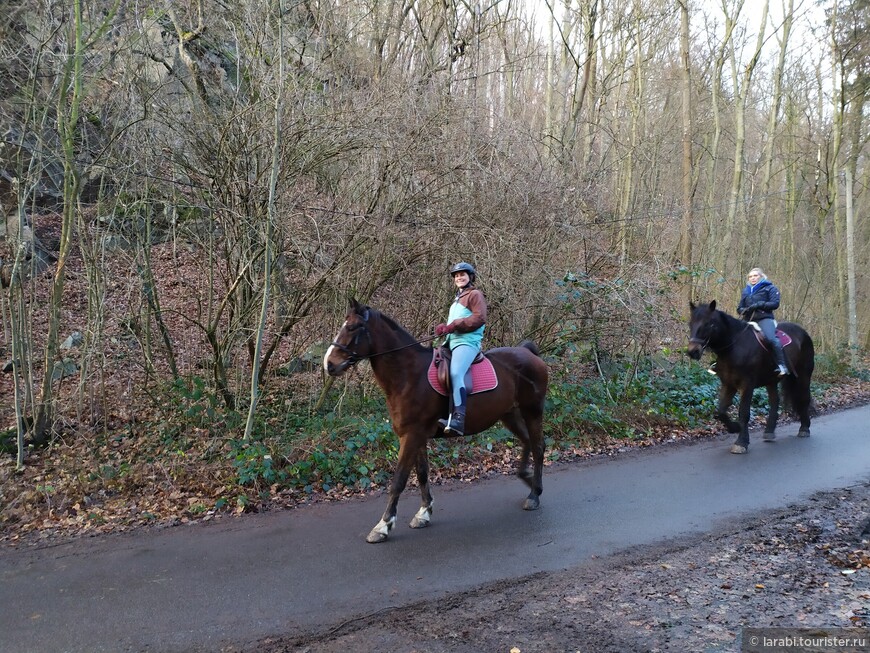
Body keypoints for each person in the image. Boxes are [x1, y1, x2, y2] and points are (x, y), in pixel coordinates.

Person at [434, 262, 487, 436]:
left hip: (467, 342)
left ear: (470, 277)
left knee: (456, 373)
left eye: (462, 275)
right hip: (452, 343)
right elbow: (455, 324)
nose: (459, 278)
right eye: (456, 276)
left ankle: (459, 419)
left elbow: (479, 318)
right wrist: (445, 328)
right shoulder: (456, 299)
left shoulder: (475, 294)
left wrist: (454, 325)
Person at [737, 267, 789, 376]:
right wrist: (743, 310)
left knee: (771, 339)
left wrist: (760, 304)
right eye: (750, 276)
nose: (752, 278)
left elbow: (775, 304)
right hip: (748, 320)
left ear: (761, 276)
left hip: (764, 318)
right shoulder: (746, 291)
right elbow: (739, 307)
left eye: (755, 276)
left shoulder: (770, 288)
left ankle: (781, 365)